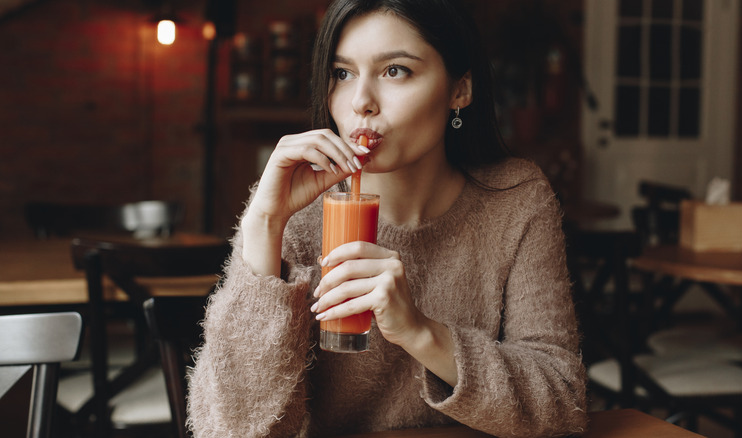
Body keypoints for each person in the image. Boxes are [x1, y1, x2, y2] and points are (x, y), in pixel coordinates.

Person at [187, 0, 588, 436]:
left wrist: (420, 332)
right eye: (342, 73)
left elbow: (562, 403)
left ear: (460, 90)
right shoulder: (296, 217)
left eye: (395, 70)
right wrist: (263, 226)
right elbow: (231, 430)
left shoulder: (516, 200)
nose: (361, 102)